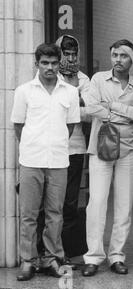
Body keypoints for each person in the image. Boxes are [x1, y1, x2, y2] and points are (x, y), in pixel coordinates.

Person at [80, 39, 133, 277]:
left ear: (132, 59)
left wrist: (113, 109)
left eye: (123, 56)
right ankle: (93, 256)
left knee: (123, 207)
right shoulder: (98, 79)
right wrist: (125, 115)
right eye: (114, 55)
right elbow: (90, 106)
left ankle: (117, 256)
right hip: (101, 149)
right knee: (97, 202)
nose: (118, 60)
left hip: (128, 151)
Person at [11, 43, 80, 281]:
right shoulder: (24, 91)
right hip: (31, 159)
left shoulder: (70, 92)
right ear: (37, 63)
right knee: (29, 213)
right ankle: (28, 261)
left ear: (59, 63)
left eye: (53, 63)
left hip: (59, 161)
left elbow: (69, 126)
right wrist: (34, 145)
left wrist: (54, 144)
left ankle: (52, 258)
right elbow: (18, 125)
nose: (49, 67)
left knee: (55, 213)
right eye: (44, 63)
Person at [34, 35, 90, 266]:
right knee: (46, 204)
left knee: (69, 204)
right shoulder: (47, 75)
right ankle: (42, 253)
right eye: (65, 54)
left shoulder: (84, 79)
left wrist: (72, 99)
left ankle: (63, 252)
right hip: (47, 150)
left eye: (73, 54)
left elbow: (87, 112)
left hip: (75, 148)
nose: (70, 58)